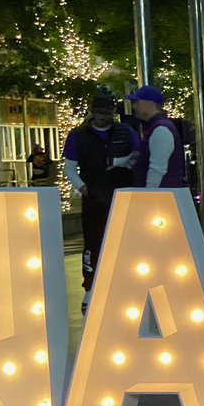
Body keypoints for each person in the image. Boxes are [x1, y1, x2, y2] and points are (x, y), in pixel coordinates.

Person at [63, 91, 140, 312]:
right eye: (98, 112)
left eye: (107, 111)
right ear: (92, 111)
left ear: (113, 112)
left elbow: (138, 155)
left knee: (124, 240)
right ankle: (91, 287)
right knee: (93, 242)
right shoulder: (78, 135)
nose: (103, 116)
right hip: (94, 196)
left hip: (123, 194)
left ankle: (126, 283)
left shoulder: (126, 131)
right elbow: (69, 166)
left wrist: (124, 163)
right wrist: (82, 187)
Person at [126, 85, 186, 188]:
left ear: (150, 103)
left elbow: (157, 170)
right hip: (165, 194)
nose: (134, 106)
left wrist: (149, 193)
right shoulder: (157, 127)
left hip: (162, 196)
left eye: (137, 102)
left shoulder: (160, 129)